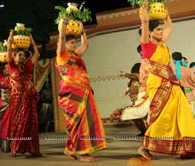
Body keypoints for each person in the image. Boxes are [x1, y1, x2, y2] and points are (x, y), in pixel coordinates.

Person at [138, 1, 195, 159]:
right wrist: (144, 10)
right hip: (158, 84)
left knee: (182, 111)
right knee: (163, 116)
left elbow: (170, 26)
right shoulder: (147, 45)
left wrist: (165, 12)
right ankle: (145, 147)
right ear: (150, 32)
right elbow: (145, 22)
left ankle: (187, 147)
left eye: (160, 29)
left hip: (171, 82)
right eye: (158, 29)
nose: (161, 31)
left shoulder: (162, 43)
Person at [55, 17, 107, 162]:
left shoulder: (76, 55)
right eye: (72, 42)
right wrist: (63, 26)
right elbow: (62, 38)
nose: (74, 44)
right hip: (71, 94)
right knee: (77, 123)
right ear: (63, 43)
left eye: (74, 42)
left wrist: (82, 30)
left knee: (86, 122)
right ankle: (82, 153)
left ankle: (71, 149)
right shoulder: (61, 56)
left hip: (84, 91)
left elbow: (86, 44)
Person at [4, 30, 42, 157]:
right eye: (19, 55)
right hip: (17, 100)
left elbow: (36, 53)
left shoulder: (28, 67)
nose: (22, 57)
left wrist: (32, 42)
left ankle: (33, 149)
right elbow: (9, 51)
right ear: (14, 57)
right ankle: (15, 148)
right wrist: (10, 38)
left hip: (29, 99)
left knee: (32, 124)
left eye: (23, 55)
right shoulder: (11, 66)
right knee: (18, 124)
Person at [119, 44, 150, 136]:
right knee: (136, 116)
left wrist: (125, 74)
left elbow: (133, 76)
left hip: (143, 99)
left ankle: (148, 131)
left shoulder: (138, 76)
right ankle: (144, 131)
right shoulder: (132, 81)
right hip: (137, 101)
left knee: (141, 115)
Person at [171, 52, 195, 117]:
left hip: (176, 95)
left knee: (180, 115)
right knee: (191, 115)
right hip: (189, 94)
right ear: (181, 58)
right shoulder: (188, 70)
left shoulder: (170, 71)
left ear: (173, 60)